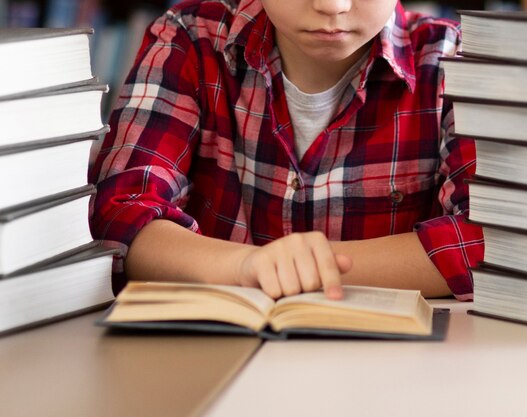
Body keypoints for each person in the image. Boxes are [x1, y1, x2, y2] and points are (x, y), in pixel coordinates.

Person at [89, 0, 484, 301]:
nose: (333, 6)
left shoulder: (455, 60)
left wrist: (292, 271)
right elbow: (121, 213)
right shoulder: (189, 40)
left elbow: (489, 238)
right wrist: (246, 267)